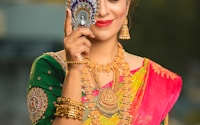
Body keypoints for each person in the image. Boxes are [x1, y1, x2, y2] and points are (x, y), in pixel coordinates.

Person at [26, 0, 182, 125]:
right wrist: (74, 71)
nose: (102, 11)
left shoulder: (155, 79)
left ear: (127, 5)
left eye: (113, 0)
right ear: (73, 4)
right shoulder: (51, 67)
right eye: (93, 1)